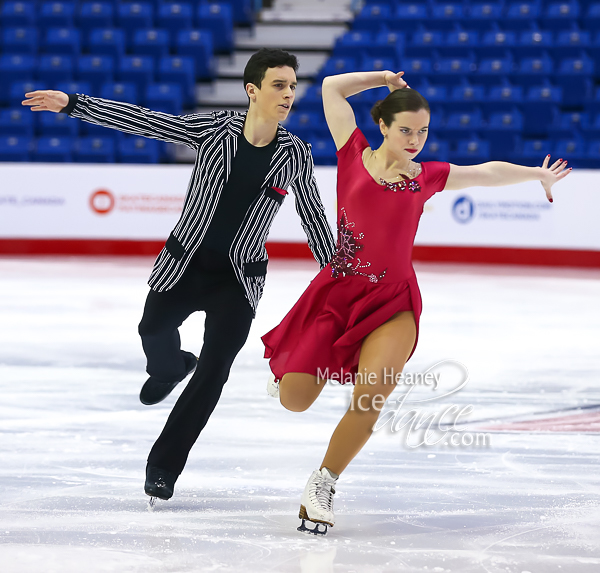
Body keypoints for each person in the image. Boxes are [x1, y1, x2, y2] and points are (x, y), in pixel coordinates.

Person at [261, 69, 571, 535]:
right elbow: (330, 88)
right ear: (382, 126)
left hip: (393, 303)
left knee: (370, 398)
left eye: (423, 131)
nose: (415, 140)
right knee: (295, 400)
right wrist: (383, 78)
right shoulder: (352, 152)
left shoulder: (426, 178)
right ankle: (292, 371)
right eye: (405, 130)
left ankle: (323, 482)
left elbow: (484, 173)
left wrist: (535, 174)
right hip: (339, 292)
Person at [22, 48, 336, 504]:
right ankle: (170, 366)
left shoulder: (294, 155)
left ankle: (164, 466)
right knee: (152, 329)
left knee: (213, 373)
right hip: (184, 264)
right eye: (278, 85)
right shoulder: (213, 129)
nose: (288, 93)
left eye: (292, 85)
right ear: (252, 90)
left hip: (238, 278)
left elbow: (313, 218)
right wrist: (74, 103)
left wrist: (342, 274)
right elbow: (145, 121)